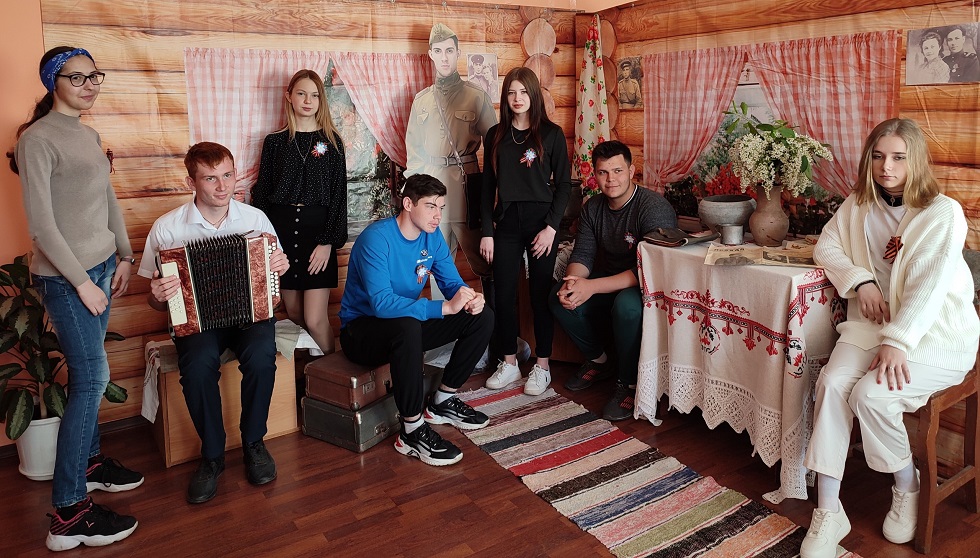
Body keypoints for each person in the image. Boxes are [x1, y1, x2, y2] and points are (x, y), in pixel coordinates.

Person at [799, 118, 979, 558]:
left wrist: (898, 341)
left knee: (870, 396)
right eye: (878, 156)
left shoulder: (942, 212)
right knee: (831, 384)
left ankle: (907, 484)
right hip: (871, 325)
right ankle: (828, 511)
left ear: (916, 160)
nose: (887, 167)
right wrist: (861, 280)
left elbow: (929, 285)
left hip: (933, 335)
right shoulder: (858, 204)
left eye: (899, 157)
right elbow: (826, 246)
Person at [10, 46, 143, 552]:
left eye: (95, 76)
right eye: (77, 77)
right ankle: (68, 515)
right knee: (91, 381)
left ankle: (88, 465)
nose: (90, 85)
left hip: (103, 267)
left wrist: (125, 256)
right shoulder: (37, 140)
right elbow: (42, 226)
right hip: (69, 281)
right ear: (53, 82)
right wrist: (82, 283)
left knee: (92, 374)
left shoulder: (87, 134)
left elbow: (107, 199)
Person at [139, 142, 290, 504]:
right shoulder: (167, 229)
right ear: (191, 182)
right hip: (197, 321)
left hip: (250, 315)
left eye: (228, 175)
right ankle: (212, 455)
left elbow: (272, 278)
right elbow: (154, 301)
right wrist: (157, 295)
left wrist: (279, 268)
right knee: (197, 365)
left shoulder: (255, 219)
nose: (223, 186)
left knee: (261, 355)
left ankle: (254, 442)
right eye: (210, 178)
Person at [339, 174, 494, 466]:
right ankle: (411, 430)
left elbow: (452, 284)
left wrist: (471, 298)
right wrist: (444, 308)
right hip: (361, 331)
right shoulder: (376, 239)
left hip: (405, 325)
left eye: (441, 207)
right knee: (408, 326)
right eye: (430, 206)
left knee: (481, 317)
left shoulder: (431, 236)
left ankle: (443, 401)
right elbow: (382, 304)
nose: (437, 216)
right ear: (408, 204)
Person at [405, 22, 529, 364]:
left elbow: (497, 149)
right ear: (430, 55)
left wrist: (501, 195)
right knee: (431, 264)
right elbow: (413, 153)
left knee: (486, 264)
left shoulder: (475, 96)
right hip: (431, 192)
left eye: (450, 50)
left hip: (465, 188)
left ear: (457, 53)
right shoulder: (421, 100)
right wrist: (416, 201)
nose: (444, 57)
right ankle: (442, 343)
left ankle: (498, 339)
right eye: (438, 51)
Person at [549, 141, 676, 421]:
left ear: (631, 171)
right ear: (595, 175)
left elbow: (649, 270)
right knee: (558, 297)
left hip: (648, 287)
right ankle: (599, 360)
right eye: (603, 172)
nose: (611, 179)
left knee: (627, 307)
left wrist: (591, 287)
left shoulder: (653, 207)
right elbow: (583, 254)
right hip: (609, 279)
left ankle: (629, 384)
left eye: (617, 171)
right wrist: (574, 283)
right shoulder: (593, 207)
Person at [480, 67, 572, 396]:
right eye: (511, 92)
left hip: (540, 224)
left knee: (539, 297)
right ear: (505, 97)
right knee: (503, 296)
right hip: (506, 222)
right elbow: (487, 187)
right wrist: (487, 231)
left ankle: (542, 366)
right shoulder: (495, 135)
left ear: (533, 94)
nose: (517, 99)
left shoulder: (551, 134)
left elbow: (564, 186)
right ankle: (509, 362)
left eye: (523, 92)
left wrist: (551, 228)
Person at [252, 69, 347, 354]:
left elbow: (338, 196)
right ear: (289, 97)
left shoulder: (331, 142)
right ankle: (314, 371)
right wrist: (266, 244)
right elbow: (262, 193)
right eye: (302, 94)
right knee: (293, 313)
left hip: (318, 234)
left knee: (315, 319)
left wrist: (328, 242)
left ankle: (333, 372)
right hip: (281, 232)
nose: (308, 101)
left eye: (315, 95)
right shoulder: (274, 142)